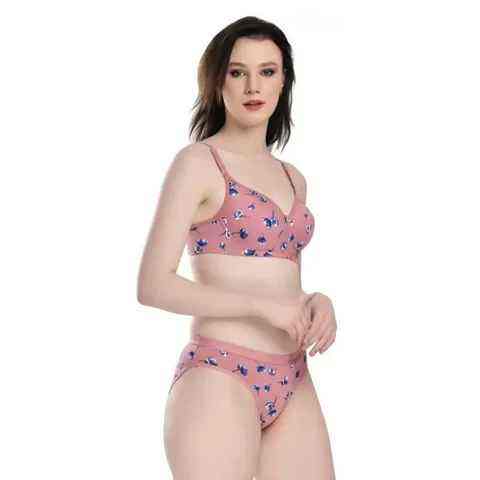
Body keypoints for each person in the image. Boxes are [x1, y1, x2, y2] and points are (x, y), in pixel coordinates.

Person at [137, 15, 337, 480]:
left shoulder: (293, 178)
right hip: (220, 372)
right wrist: (259, 307)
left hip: (293, 377)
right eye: (237, 71)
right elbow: (152, 285)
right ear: (217, 81)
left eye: (267, 71)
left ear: (284, 80)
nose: (253, 86)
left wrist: (316, 301)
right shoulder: (197, 163)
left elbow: (282, 279)